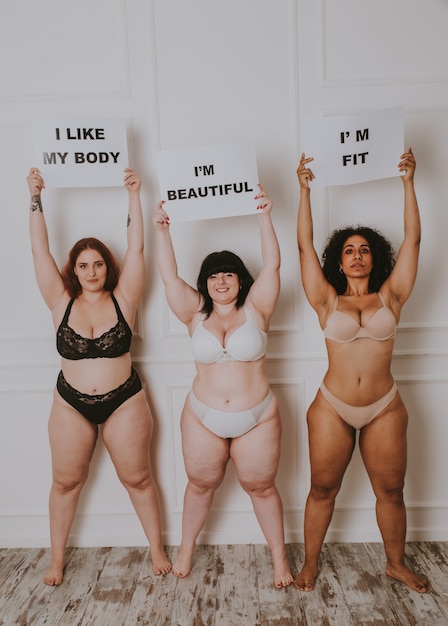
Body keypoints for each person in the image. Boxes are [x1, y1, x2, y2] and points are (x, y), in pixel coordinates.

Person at [27, 167, 171, 586]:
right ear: (74, 269)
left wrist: (134, 195)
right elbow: (39, 251)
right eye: (83, 265)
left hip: (124, 400)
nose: (91, 271)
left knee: (138, 478)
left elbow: (138, 247)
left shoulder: (125, 297)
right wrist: (34, 196)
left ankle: (157, 549)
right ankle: (56, 560)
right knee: (66, 482)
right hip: (70, 402)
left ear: (108, 267)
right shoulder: (60, 302)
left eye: (98, 264)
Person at [294, 148, 430, 593]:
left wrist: (408, 183)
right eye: (349, 251)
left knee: (391, 491)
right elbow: (302, 245)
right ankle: (310, 564)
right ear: (338, 259)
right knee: (322, 489)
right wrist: (304, 190)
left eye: (364, 250)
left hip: (384, 406)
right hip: (332, 408)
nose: (356, 256)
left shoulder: (391, 296)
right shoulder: (326, 300)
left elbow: (413, 241)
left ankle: (396, 564)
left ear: (375, 259)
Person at [152, 186, 293, 588]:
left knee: (261, 487)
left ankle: (279, 561)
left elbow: (273, 266)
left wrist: (264, 214)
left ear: (239, 279)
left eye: (228, 273)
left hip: (257, 416)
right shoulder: (193, 314)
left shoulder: (257, 309)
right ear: (205, 282)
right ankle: (185, 549)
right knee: (200, 485)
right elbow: (167, 276)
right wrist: (163, 230)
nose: (221, 281)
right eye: (213, 276)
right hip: (203, 416)